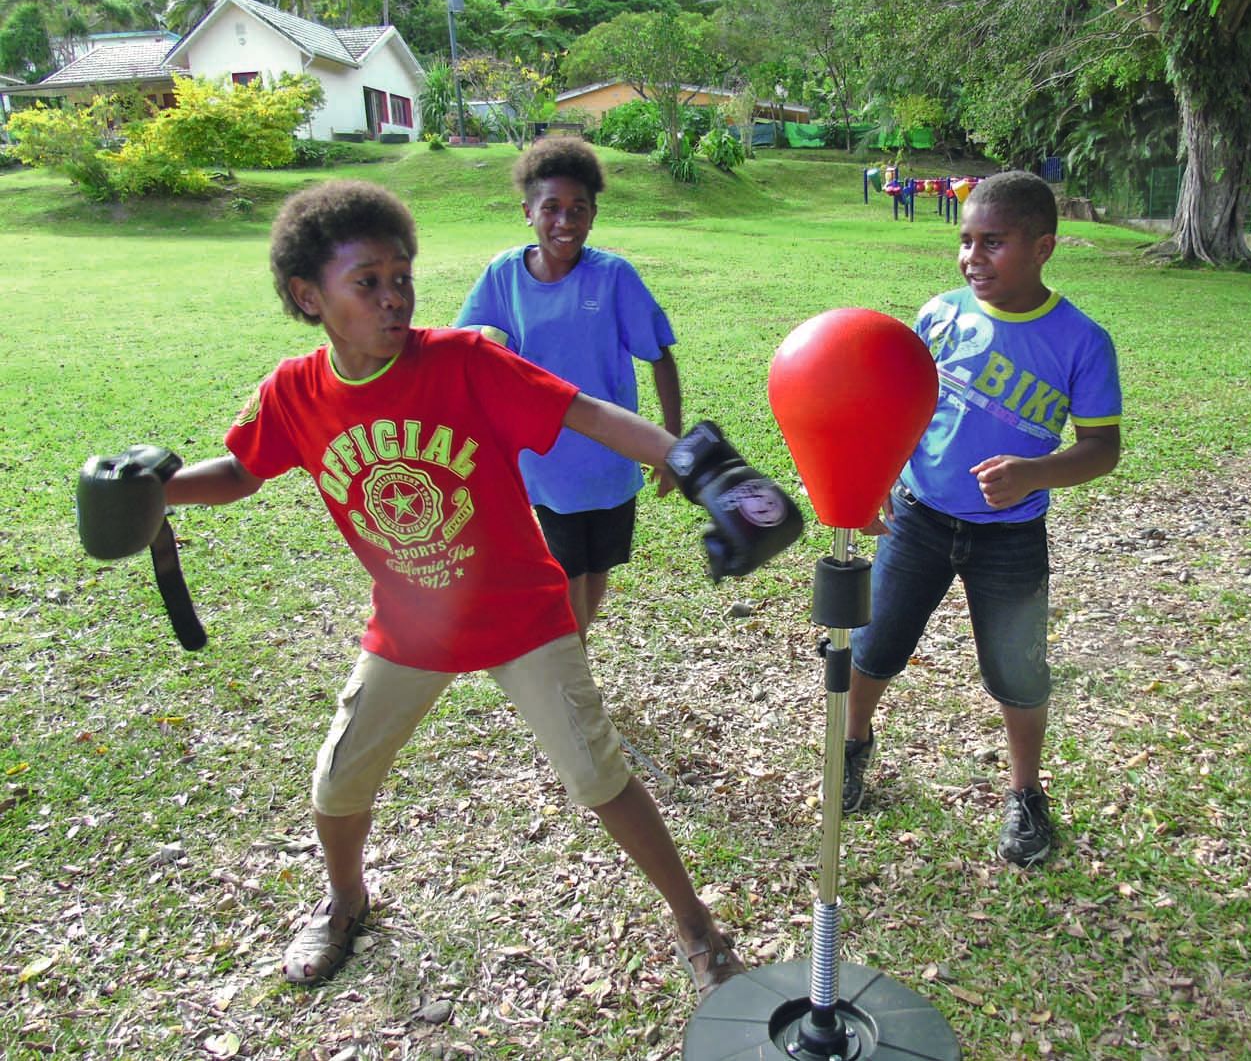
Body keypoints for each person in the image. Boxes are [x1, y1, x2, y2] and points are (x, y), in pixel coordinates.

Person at [145, 179, 774, 995]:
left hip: (522, 615)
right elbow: (240, 470)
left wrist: (698, 466)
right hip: (411, 625)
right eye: (365, 282)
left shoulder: (463, 363)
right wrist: (158, 491)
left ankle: (694, 920)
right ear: (309, 296)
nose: (393, 298)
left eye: (402, 277)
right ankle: (345, 899)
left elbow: (585, 412)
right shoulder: (294, 393)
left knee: (599, 776)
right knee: (338, 782)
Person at [842, 170, 1122, 868]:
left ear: (1042, 247)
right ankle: (851, 745)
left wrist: (1034, 471)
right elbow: (899, 402)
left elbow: (1101, 447)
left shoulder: (1081, 341)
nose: (972, 257)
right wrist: (877, 474)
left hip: (1011, 537)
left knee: (1017, 671)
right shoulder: (937, 315)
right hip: (919, 518)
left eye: (992, 242)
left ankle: (1025, 794)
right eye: (965, 241)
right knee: (874, 647)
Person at [454, 136, 680, 644]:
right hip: (543, 459)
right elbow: (464, 347)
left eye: (578, 209)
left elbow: (660, 355)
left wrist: (670, 443)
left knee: (597, 568)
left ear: (594, 215)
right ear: (527, 211)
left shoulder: (614, 277)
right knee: (564, 574)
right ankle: (571, 675)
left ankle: (574, 658)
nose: (565, 221)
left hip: (610, 459)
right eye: (551, 208)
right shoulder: (505, 274)